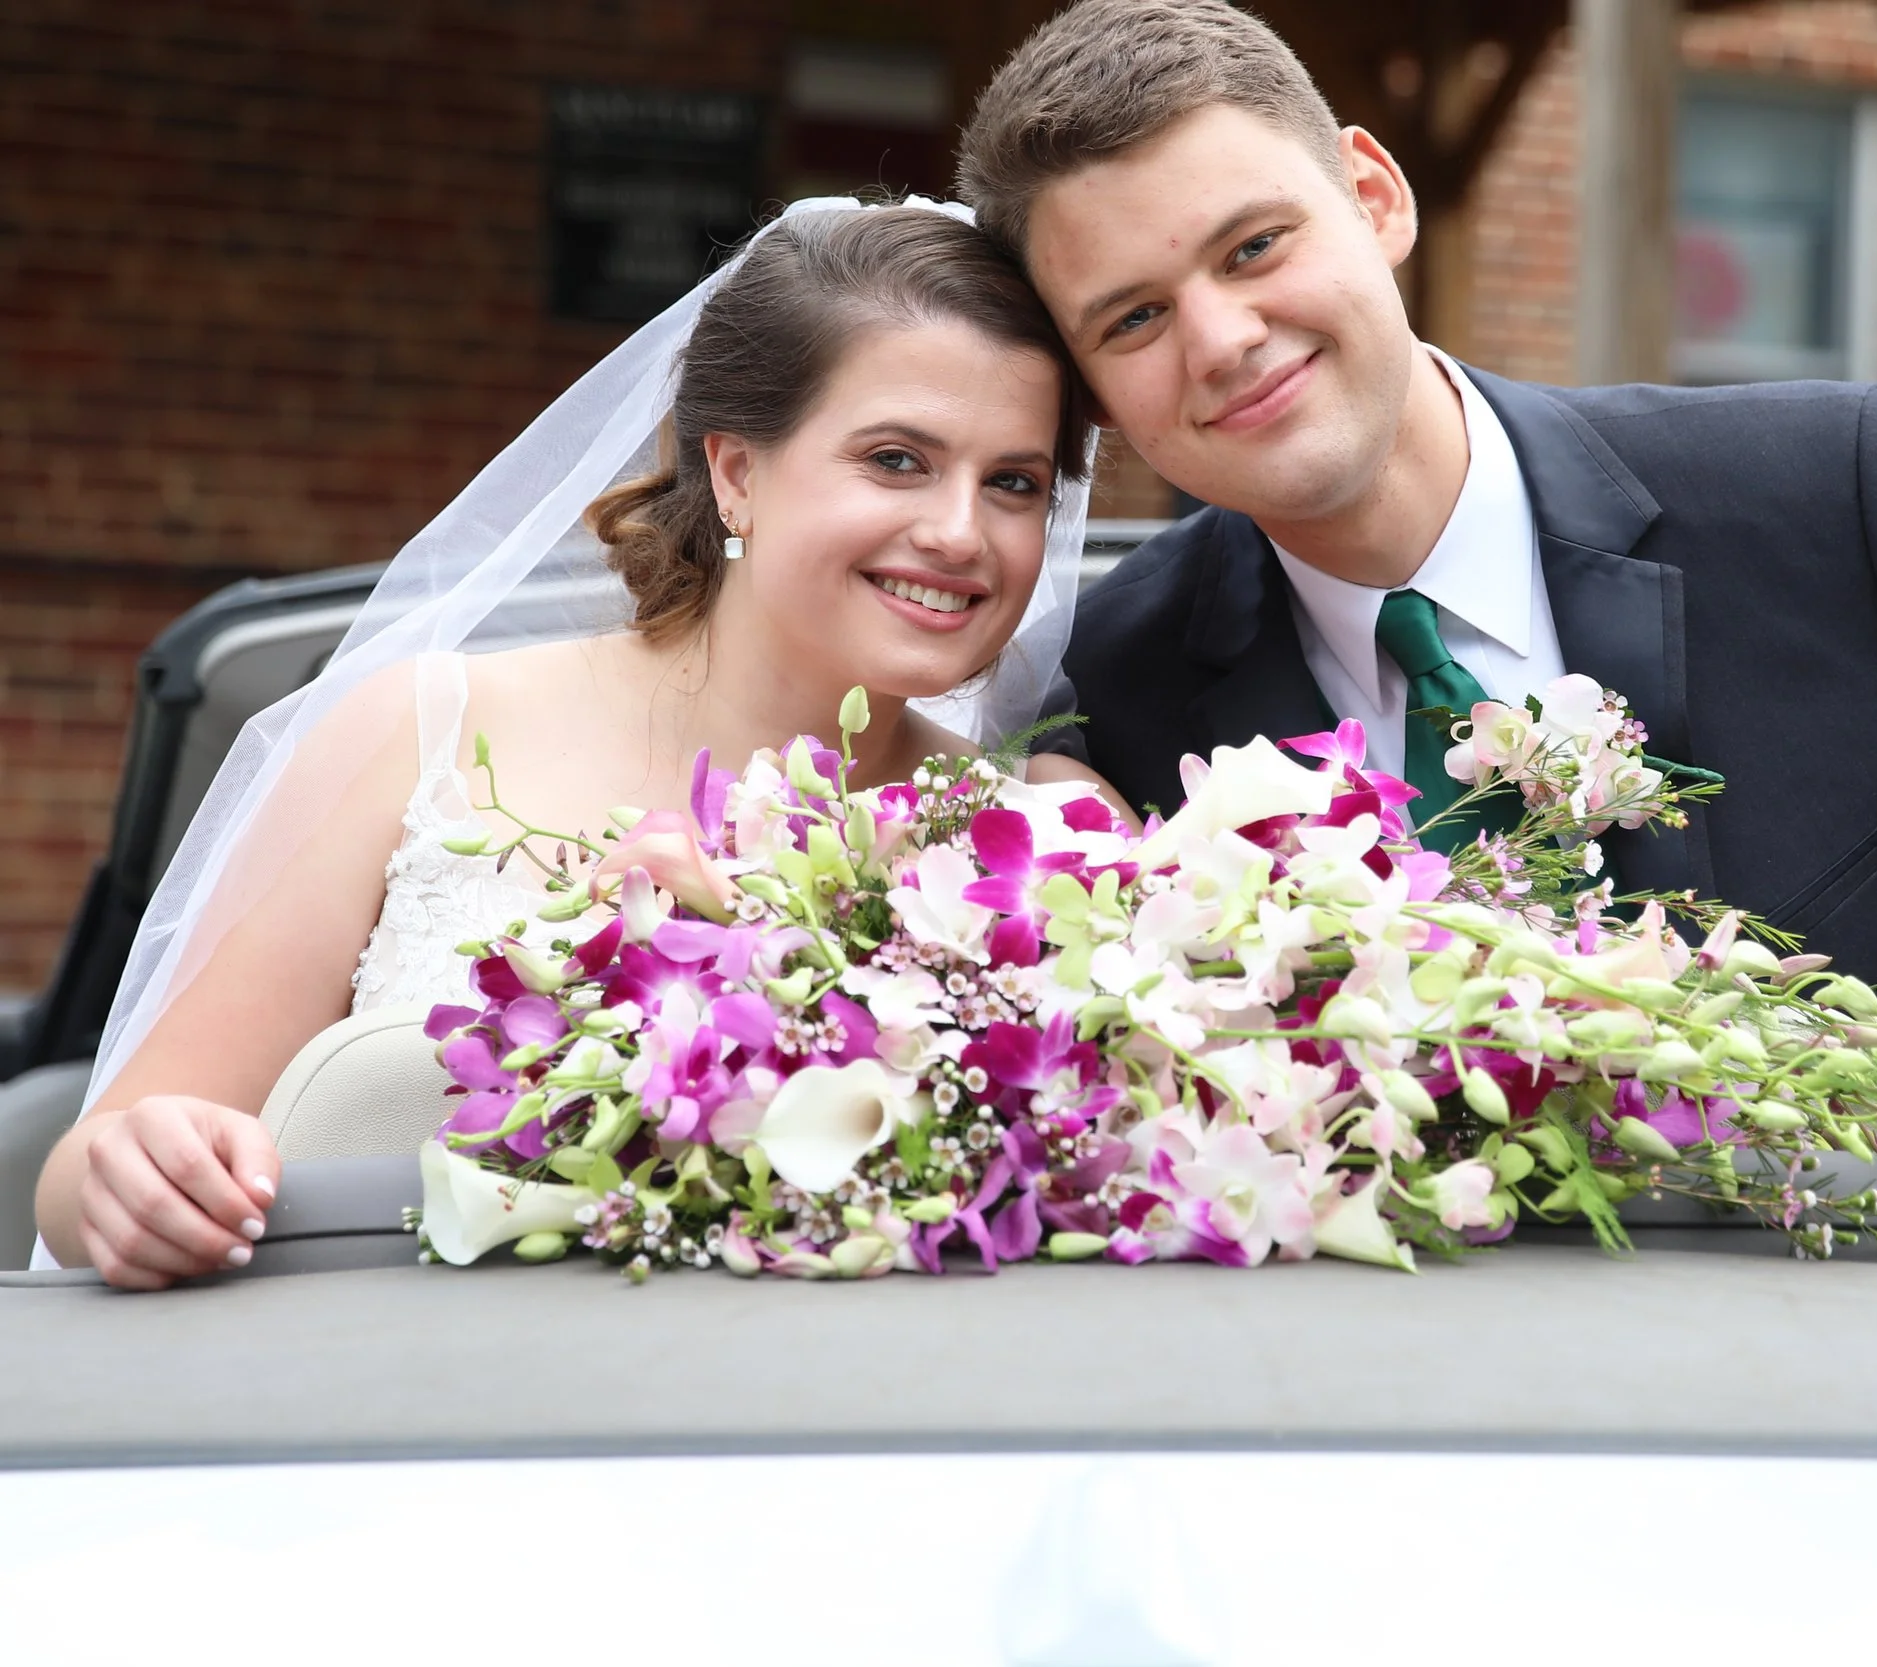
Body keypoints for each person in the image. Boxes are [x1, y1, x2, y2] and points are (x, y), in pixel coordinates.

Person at [954, 0, 1877, 1285]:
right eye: (1134, 317)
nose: (1221, 336)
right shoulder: (1116, 699)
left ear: (1375, 198)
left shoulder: (1825, 499)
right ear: (1089, 390)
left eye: (1255, 245)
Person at [35, 200, 1127, 1289]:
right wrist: (131, 1181)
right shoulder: (418, 733)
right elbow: (98, 1162)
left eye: (1015, 483)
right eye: (896, 459)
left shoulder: (1035, 849)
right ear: (738, 473)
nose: (958, 531)